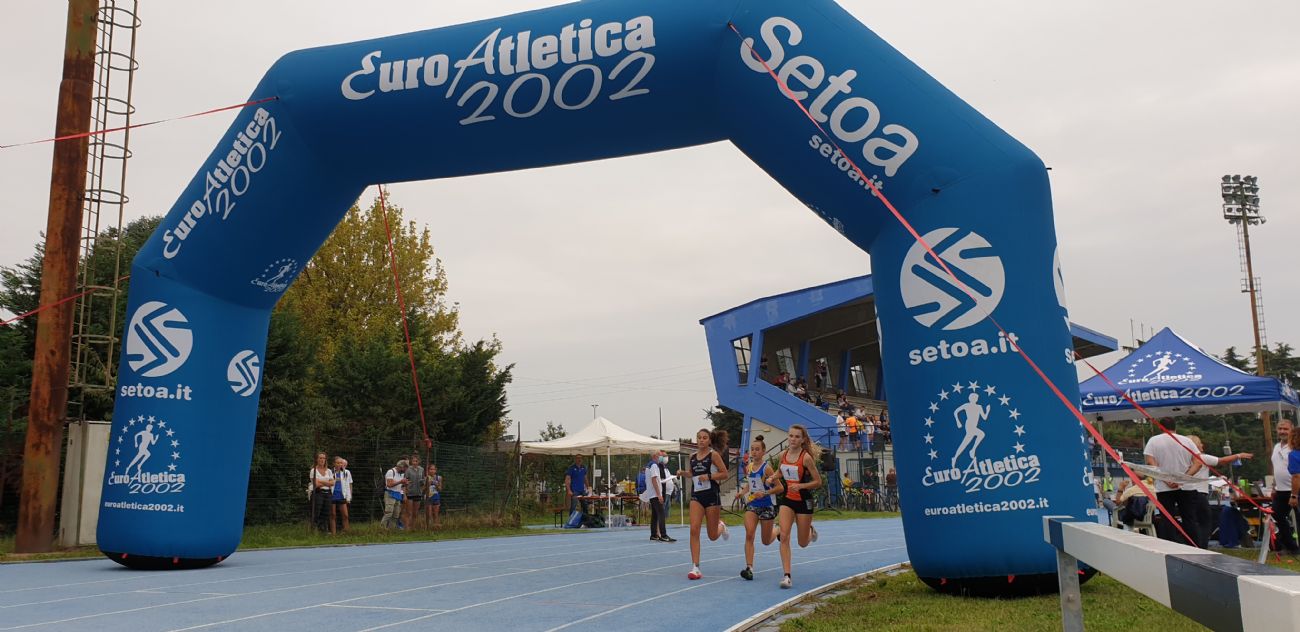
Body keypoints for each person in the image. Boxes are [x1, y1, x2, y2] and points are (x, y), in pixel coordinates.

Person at [766, 424, 822, 589]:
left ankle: (810, 531)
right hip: (788, 500)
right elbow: (780, 472)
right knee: (784, 537)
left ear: (803, 439)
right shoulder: (783, 454)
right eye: (791, 436)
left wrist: (801, 486)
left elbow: (818, 482)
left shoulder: (806, 458)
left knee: (803, 543)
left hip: (804, 501)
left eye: (797, 436)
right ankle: (787, 576)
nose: (793, 439)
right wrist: (772, 478)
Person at [677, 428, 730, 580]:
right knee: (694, 529)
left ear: (709, 440)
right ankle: (695, 567)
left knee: (712, 535)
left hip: (712, 496)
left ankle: (721, 526)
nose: (701, 440)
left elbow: (725, 473)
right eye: (699, 437)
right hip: (697, 497)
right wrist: (683, 473)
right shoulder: (692, 457)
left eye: (704, 438)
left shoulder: (714, 455)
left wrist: (709, 476)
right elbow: (692, 474)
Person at [1143, 418, 1202, 545]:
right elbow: (1198, 463)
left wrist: (1164, 478)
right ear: (1175, 427)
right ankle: (1195, 546)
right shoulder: (1187, 441)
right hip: (1186, 486)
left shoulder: (1153, 441)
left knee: (1168, 519)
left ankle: (1170, 546)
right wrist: (1182, 478)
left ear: (1160, 427)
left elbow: (1150, 462)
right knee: (1190, 519)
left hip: (1164, 487)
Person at [1185, 435, 1251, 548]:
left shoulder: (1182, 459)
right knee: (1205, 521)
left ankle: (1190, 544)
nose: (1202, 445)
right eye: (1200, 443)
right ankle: (1201, 545)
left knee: (1190, 521)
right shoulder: (1202, 457)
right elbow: (1222, 460)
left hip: (1185, 493)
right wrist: (1239, 455)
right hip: (1199, 493)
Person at [740, 435, 782, 580]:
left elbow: (779, 488)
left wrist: (764, 492)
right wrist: (742, 492)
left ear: (763, 451)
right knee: (749, 534)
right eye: (752, 449)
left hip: (767, 506)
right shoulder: (749, 467)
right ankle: (749, 568)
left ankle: (777, 529)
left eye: (757, 449)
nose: (754, 452)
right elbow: (750, 484)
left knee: (765, 541)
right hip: (752, 505)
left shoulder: (767, 469)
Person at [642, 450, 673, 542]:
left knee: (655, 515)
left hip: (652, 494)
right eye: (660, 455)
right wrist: (659, 494)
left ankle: (654, 534)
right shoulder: (654, 465)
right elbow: (654, 480)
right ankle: (663, 535)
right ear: (655, 456)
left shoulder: (649, 465)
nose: (661, 457)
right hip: (655, 494)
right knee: (661, 514)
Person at [382, 459, 408, 529]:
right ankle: (382, 528)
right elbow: (389, 484)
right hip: (390, 493)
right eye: (405, 468)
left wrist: (404, 483)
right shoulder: (391, 472)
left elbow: (402, 485)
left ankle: (391, 529)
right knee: (389, 513)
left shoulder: (402, 473)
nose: (405, 470)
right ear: (401, 467)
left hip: (398, 494)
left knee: (396, 514)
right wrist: (400, 481)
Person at [329, 456, 352, 534]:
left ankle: (347, 532)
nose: (339, 464)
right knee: (333, 515)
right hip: (332, 496)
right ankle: (334, 534)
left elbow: (348, 486)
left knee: (345, 515)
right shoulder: (330, 472)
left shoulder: (346, 472)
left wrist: (348, 497)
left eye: (341, 463)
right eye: (338, 463)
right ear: (334, 463)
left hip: (342, 496)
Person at [404, 453, 426, 530]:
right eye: (413, 461)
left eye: (416, 461)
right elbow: (405, 481)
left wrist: (423, 485)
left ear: (419, 461)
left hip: (418, 493)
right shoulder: (408, 470)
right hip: (410, 493)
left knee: (415, 513)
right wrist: (405, 493)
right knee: (409, 512)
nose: (414, 463)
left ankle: (413, 527)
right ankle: (407, 528)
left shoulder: (422, 469)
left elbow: (423, 480)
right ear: (411, 461)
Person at [425, 463, 443, 529]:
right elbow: (423, 489)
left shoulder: (439, 478)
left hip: (436, 496)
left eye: (433, 469)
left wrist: (436, 485)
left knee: (436, 514)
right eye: (431, 469)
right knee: (429, 514)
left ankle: (436, 527)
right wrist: (428, 484)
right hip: (428, 496)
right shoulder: (426, 477)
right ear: (428, 470)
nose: (432, 471)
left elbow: (440, 489)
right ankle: (429, 527)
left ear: (436, 470)